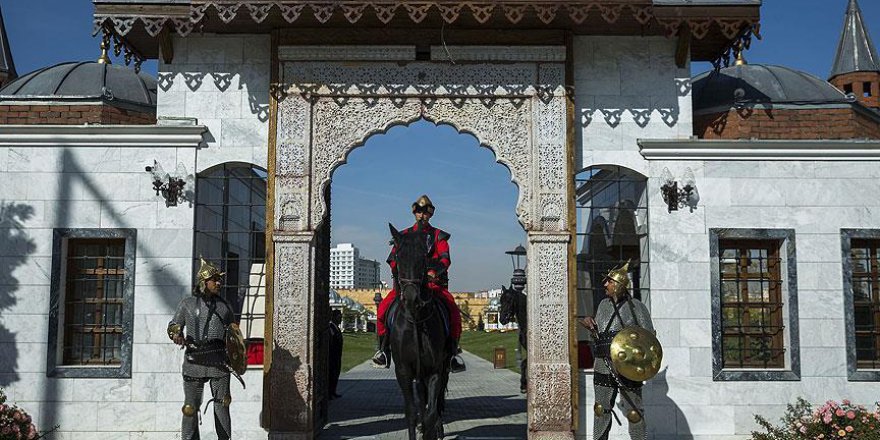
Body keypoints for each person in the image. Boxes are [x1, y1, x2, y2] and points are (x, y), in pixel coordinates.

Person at [372, 195, 465, 372]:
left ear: (430, 214)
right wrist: (400, 271)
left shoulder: (438, 236)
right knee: (383, 309)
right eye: (419, 212)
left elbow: (445, 259)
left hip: (432, 285)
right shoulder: (404, 236)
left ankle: (453, 352)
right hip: (407, 284)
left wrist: (433, 272)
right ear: (415, 213)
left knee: (453, 310)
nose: (422, 215)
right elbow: (393, 259)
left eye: (425, 213)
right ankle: (383, 350)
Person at [578, 260, 654, 440]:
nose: (605, 284)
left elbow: (649, 337)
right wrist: (591, 328)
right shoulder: (603, 306)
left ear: (619, 284)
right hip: (602, 363)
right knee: (600, 409)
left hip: (627, 367)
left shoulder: (637, 307)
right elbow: (597, 338)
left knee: (634, 412)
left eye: (609, 281)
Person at [167, 257, 238, 440]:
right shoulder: (187, 304)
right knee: (190, 408)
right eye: (215, 279)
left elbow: (234, 336)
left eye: (219, 279)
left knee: (222, 405)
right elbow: (174, 325)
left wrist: (235, 356)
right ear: (204, 282)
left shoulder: (225, 307)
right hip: (195, 360)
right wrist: (176, 334)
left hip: (219, 362)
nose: (219, 283)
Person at [328, 309, 343, 399]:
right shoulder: (331, 328)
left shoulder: (336, 328)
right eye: (338, 317)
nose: (340, 319)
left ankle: (333, 391)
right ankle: (329, 392)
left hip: (337, 356)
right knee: (331, 374)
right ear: (333, 317)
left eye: (341, 317)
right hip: (332, 356)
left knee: (336, 374)